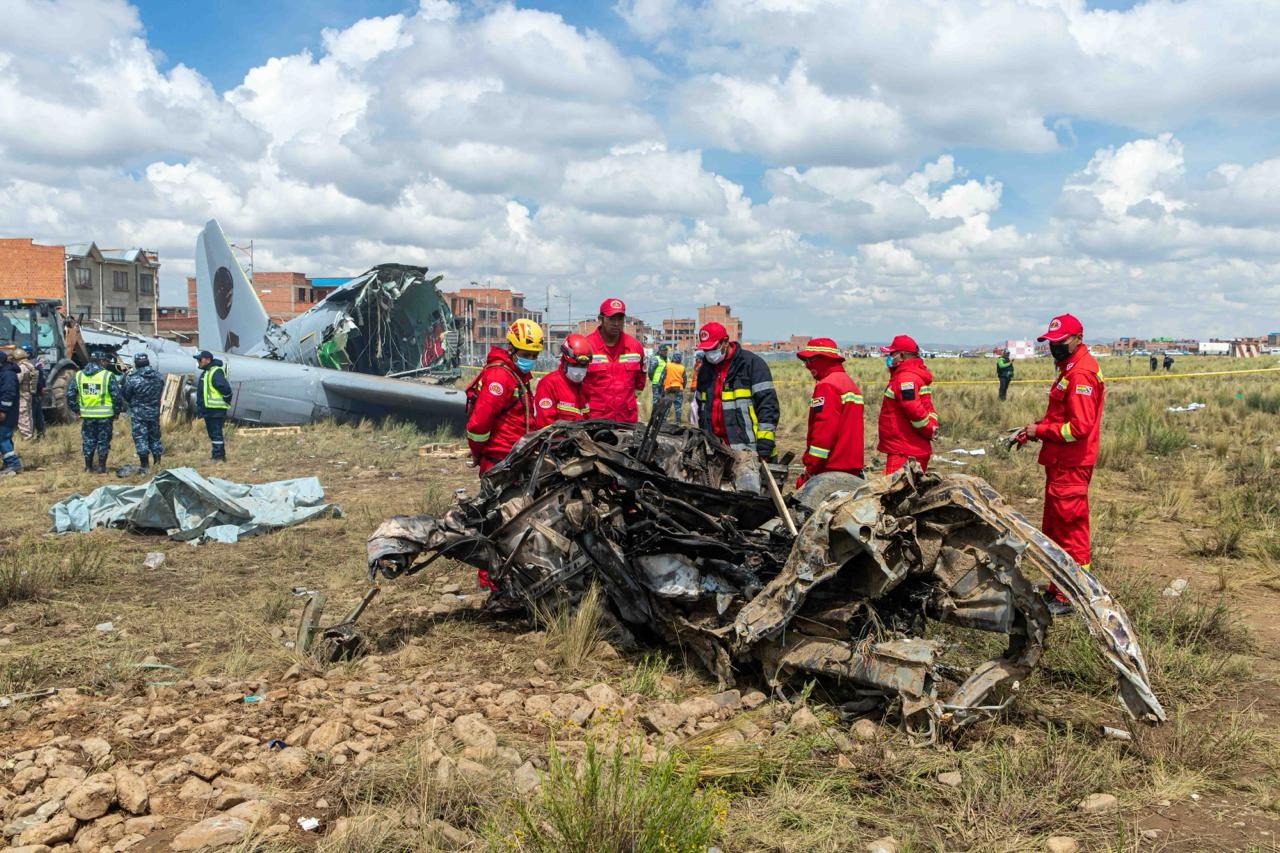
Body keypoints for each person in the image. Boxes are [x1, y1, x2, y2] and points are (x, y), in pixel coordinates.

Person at [1017, 313, 1105, 615]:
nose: (1054, 346)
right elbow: (1061, 419)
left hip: (1071, 463)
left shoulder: (1080, 375)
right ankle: (1059, 587)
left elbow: (1078, 427)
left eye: (1060, 341)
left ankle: (1072, 595)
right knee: (1056, 528)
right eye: (1050, 342)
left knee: (1070, 528)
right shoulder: (1070, 369)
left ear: (1078, 339)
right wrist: (1035, 429)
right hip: (1060, 462)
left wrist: (1040, 431)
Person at [694, 321, 779, 491]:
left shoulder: (751, 365)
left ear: (725, 341)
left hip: (749, 449)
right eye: (705, 350)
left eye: (713, 348)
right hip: (716, 449)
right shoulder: (705, 370)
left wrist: (765, 443)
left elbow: (768, 406)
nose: (709, 353)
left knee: (750, 500)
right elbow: (700, 408)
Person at [465, 318, 543, 473]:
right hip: (500, 460)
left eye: (535, 355)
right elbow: (479, 424)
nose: (530, 360)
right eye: (526, 354)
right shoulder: (500, 377)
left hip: (517, 457)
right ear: (511, 348)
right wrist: (477, 452)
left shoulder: (517, 375)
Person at [796, 337, 864, 487]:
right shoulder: (848, 383)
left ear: (821, 359)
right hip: (851, 466)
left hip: (830, 467)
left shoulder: (827, 386)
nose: (806, 366)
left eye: (808, 360)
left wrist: (811, 467)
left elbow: (824, 431)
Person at [877, 334, 938, 474]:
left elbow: (914, 411)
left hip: (904, 451)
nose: (889, 358)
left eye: (892, 354)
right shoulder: (910, 375)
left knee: (896, 493)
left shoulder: (905, 379)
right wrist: (932, 427)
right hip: (911, 447)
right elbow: (928, 409)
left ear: (902, 356)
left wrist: (929, 429)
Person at [582, 298, 646, 422]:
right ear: (601, 319)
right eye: (611, 319)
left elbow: (640, 381)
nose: (616, 323)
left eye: (620, 319)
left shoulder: (634, 346)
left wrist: (628, 401)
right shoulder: (587, 346)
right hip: (595, 419)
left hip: (627, 419)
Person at [68, 350, 122, 473]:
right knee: (103, 440)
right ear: (101, 361)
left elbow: (70, 394)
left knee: (88, 440)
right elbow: (116, 396)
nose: (106, 364)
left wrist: (76, 409)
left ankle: (88, 467)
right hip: (105, 415)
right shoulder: (107, 375)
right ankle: (101, 467)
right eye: (105, 362)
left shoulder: (79, 375)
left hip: (87, 414)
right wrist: (117, 411)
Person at [532, 332, 591, 429]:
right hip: (557, 442)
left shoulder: (585, 388)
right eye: (574, 365)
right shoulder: (549, 384)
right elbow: (545, 425)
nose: (579, 370)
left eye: (583, 366)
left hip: (581, 441)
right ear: (565, 362)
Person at [122, 353, 165, 471]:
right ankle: (157, 463)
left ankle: (144, 465)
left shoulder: (133, 379)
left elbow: (126, 395)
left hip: (138, 414)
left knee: (141, 438)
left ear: (136, 363)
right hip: (154, 412)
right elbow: (160, 390)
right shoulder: (159, 377)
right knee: (155, 438)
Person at [195, 350, 232, 462]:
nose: (198, 362)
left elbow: (225, 388)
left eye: (200, 359)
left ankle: (218, 457)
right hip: (209, 409)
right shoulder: (207, 371)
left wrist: (226, 399)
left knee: (216, 434)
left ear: (207, 360)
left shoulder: (215, 371)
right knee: (213, 434)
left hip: (215, 409)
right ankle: (219, 455)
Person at [0, 351, 22, 476]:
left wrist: (3, 410)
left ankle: (13, 463)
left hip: (7, 413)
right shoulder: (4, 373)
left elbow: (8, 394)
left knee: (2, 438)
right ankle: (9, 464)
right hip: (5, 412)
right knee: (4, 438)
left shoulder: (8, 375)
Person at [13, 346, 37, 440]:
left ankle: (26, 436)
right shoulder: (29, 365)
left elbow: (17, 380)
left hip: (22, 394)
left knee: (22, 416)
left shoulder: (22, 367)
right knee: (28, 415)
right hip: (28, 393)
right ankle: (30, 434)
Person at [24, 344, 46, 439]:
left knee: (31, 414)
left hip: (32, 393)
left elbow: (40, 378)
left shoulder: (30, 364)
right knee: (37, 414)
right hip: (35, 393)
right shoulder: (35, 363)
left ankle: (32, 435)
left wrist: (40, 388)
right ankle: (40, 434)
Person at [662, 351, 686, 423]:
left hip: (669, 388)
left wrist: (662, 385)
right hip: (678, 388)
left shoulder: (668, 365)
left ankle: (663, 421)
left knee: (667, 405)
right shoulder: (682, 368)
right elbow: (685, 379)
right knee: (677, 406)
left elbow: (662, 376)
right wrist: (683, 387)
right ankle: (678, 422)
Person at [649, 344, 669, 409]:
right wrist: (653, 379)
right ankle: (654, 417)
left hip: (665, 384)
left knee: (663, 402)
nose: (665, 352)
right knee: (656, 401)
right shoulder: (656, 358)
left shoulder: (668, 360)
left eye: (666, 350)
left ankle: (661, 418)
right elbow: (650, 372)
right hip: (656, 384)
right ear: (660, 351)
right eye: (663, 350)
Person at [687, 351, 703, 425]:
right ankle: (694, 421)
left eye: (698, 358)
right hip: (695, 387)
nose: (696, 359)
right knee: (694, 405)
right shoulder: (696, 365)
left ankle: (697, 421)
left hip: (699, 388)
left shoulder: (702, 367)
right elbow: (694, 377)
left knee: (697, 405)